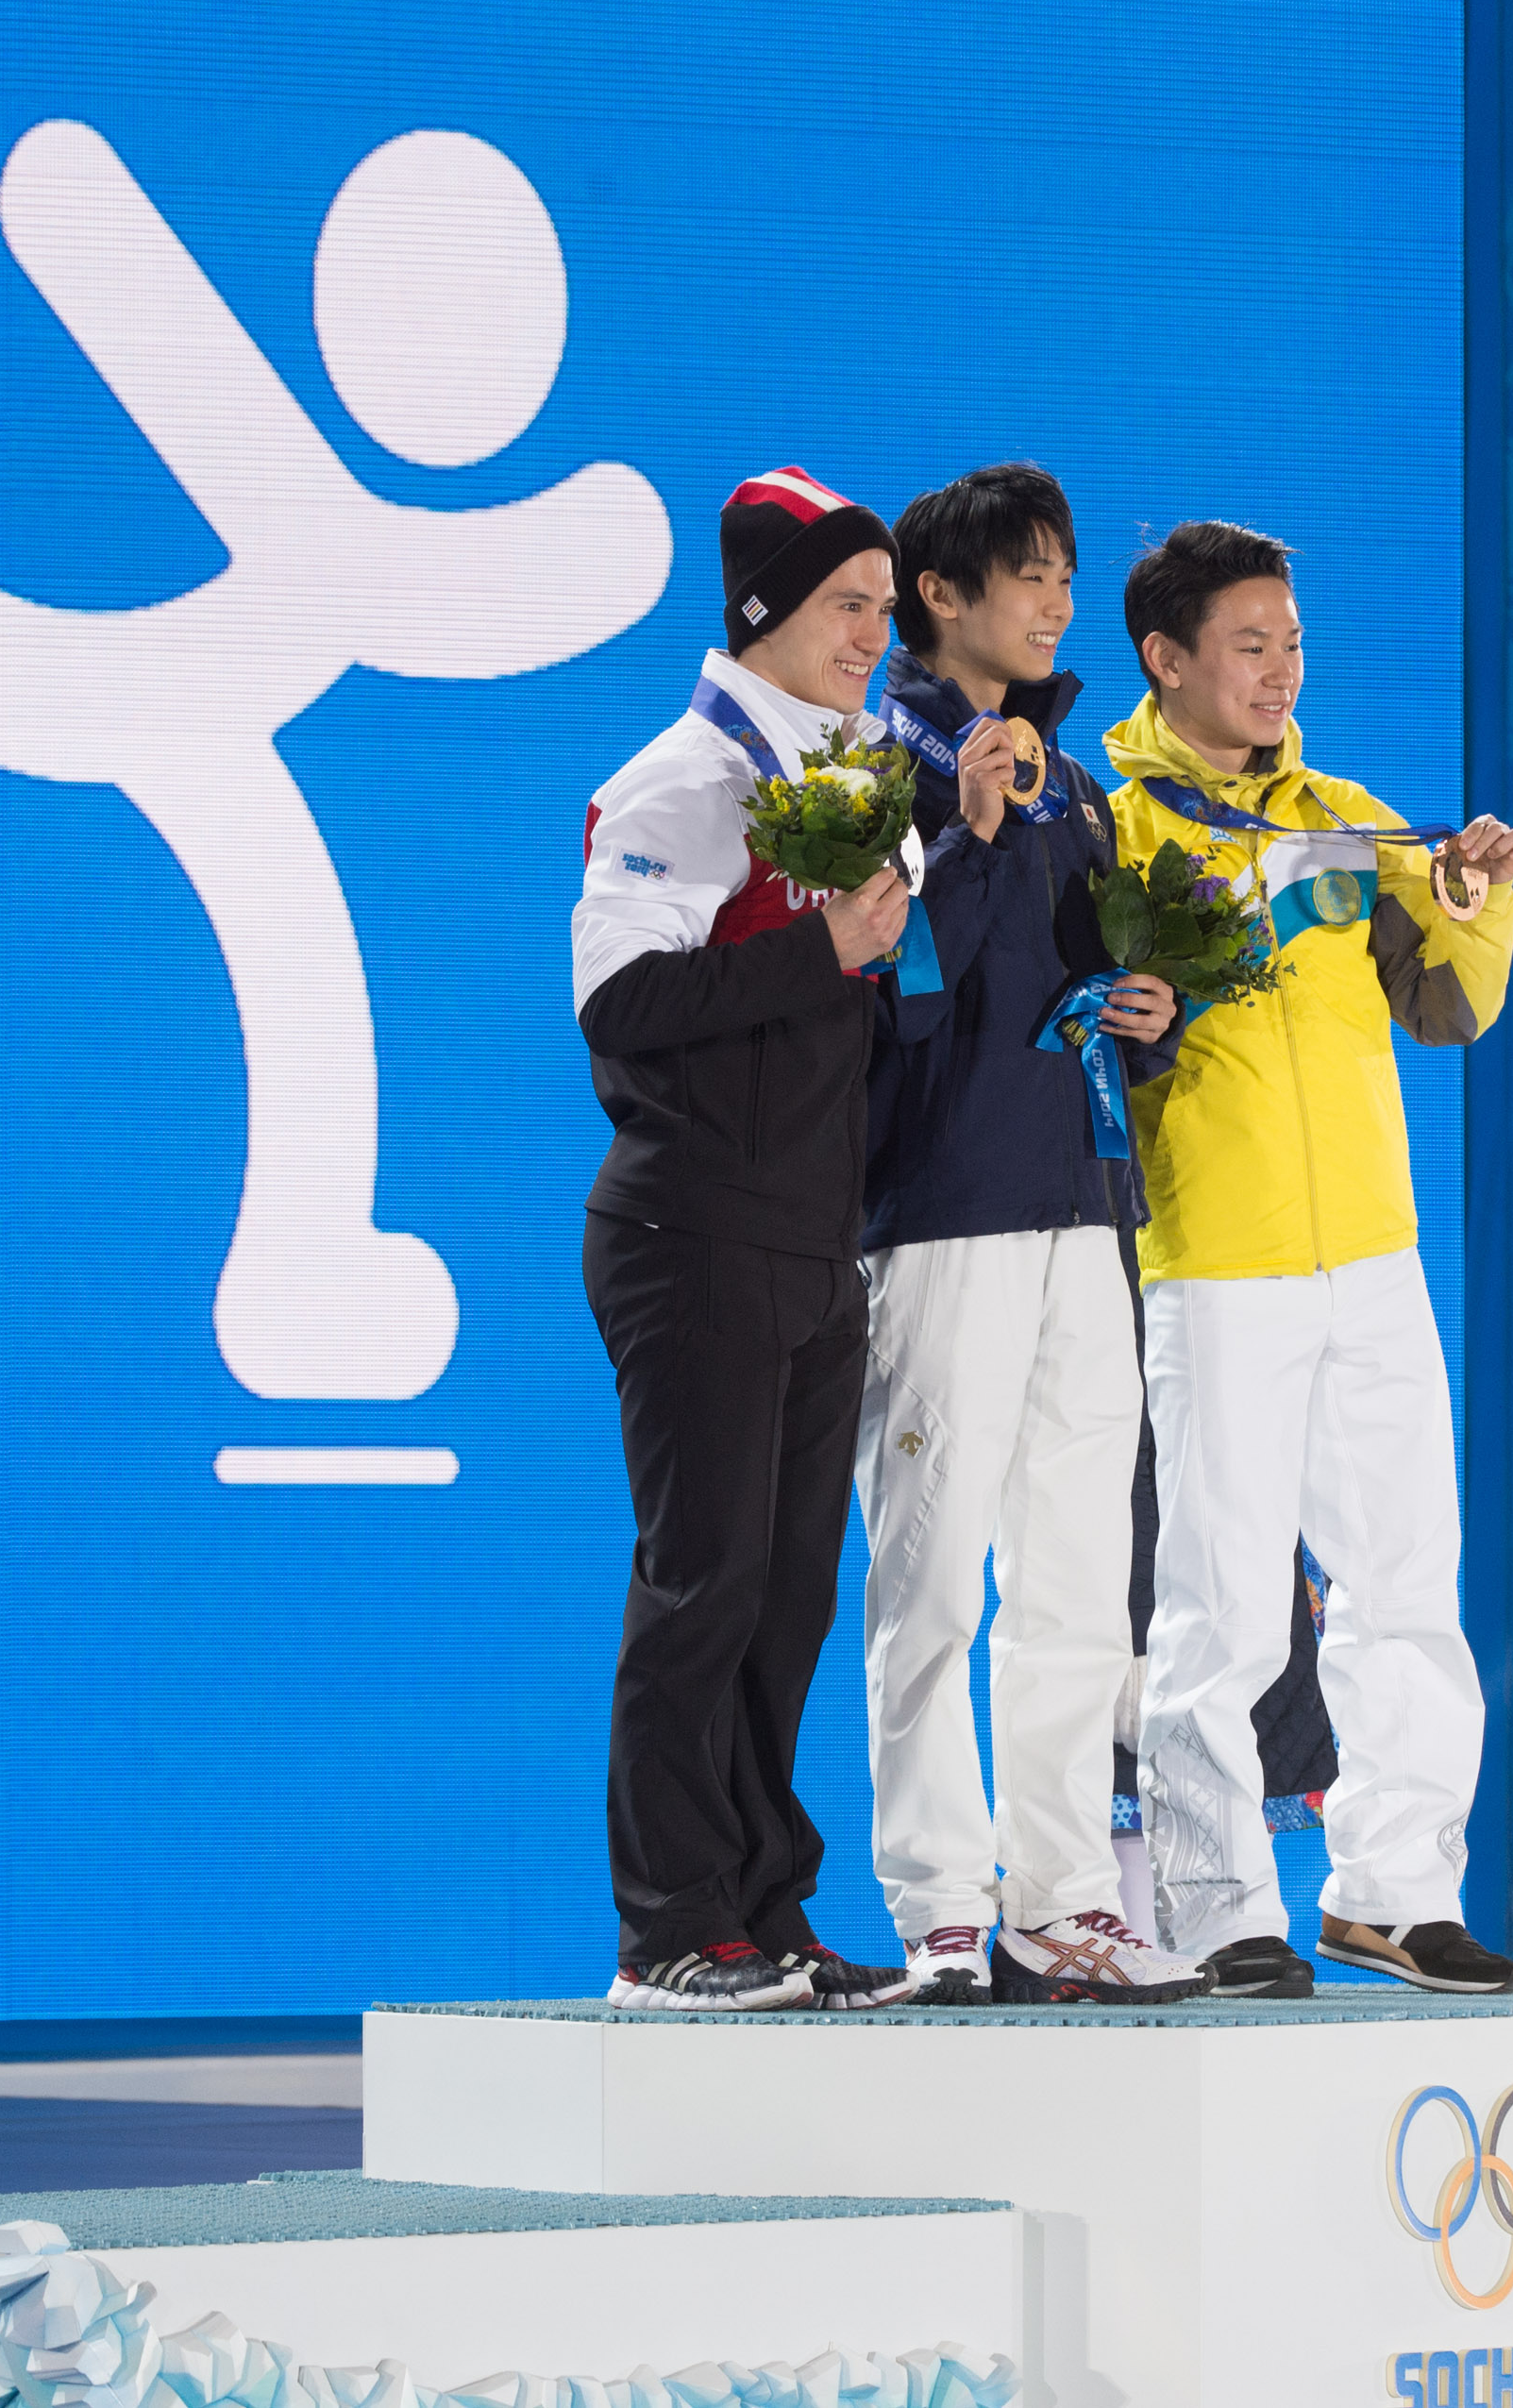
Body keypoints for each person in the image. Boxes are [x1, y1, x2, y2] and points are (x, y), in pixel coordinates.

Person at [1102, 520, 1513, 1999]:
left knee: (1406, 1578)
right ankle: (1219, 1904)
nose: (1281, 670)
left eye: (1291, 643)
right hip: (1216, 1259)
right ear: (1166, 659)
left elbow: (1447, 1009)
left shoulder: (1349, 822)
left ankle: (1395, 1892)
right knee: (1220, 1603)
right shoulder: (1115, 835)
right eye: (1250, 645)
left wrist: (1472, 901)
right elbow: (1085, 1037)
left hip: (1371, 1253)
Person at [570, 466, 921, 2012]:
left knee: (787, 1603)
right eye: (848, 605)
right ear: (764, 611)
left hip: (810, 1245)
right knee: (702, 1584)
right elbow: (619, 1008)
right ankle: (667, 1929)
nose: (873, 636)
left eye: (885, 610)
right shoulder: (682, 782)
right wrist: (817, 947)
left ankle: (764, 1912)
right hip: (691, 1230)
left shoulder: (853, 782)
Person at [854, 464, 1206, 2005]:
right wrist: (969, 832)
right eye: (1032, 573)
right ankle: (941, 1903)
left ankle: (1060, 1901)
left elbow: (1074, 991)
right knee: (933, 1574)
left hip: (1083, 1207)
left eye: (1066, 573)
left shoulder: (1075, 784)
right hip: (945, 1213)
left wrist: (1149, 1022)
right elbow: (897, 1003)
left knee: (1077, 1577)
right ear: (941, 596)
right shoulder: (880, 771)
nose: (1061, 601)